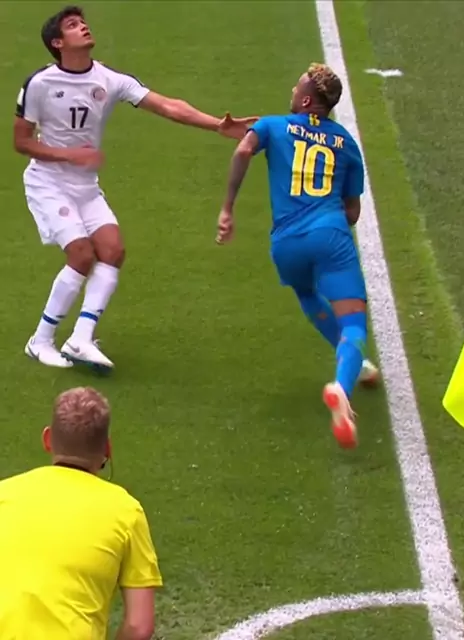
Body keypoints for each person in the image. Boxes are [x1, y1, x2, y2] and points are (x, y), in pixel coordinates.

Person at [14, 4, 257, 371]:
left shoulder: (110, 79)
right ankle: (41, 340)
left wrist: (216, 125)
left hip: (85, 184)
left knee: (112, 250)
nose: (84, 27)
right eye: (73, 25)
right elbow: (21, 142)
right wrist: (70, 155)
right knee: (81, 255)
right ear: (57, 43)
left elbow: (168, 106)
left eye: (83, 22)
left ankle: (80, 338)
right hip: (48, 182)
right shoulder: (40, 84)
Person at [215, 63, 380, 449]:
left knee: (306, 292)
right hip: (330, 235)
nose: (292, 90)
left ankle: (356, 366)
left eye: (296, 87)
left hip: (286, 243)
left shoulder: (273, 126)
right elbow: (352, 212)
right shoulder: (346, 142)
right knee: (354, 325)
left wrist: (227, 208)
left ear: (306, 101)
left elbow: (243, 149)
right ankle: (341, 388)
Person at [0, 387, 162, 640]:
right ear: (107, 449)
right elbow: (138, 626)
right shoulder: (126, 512)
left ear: (47, 439)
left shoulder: (4, 493)